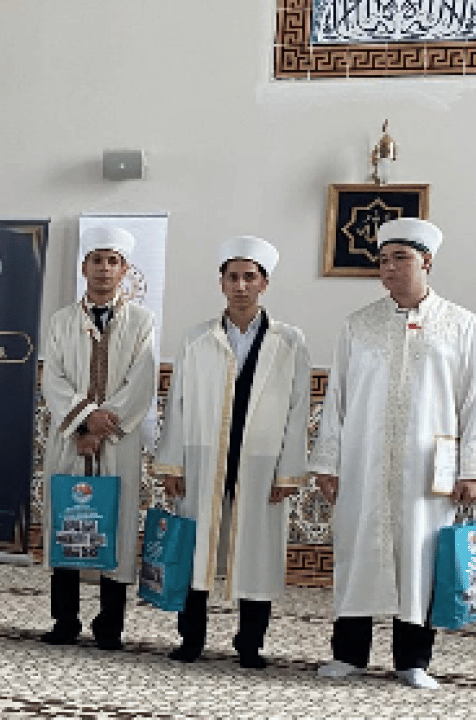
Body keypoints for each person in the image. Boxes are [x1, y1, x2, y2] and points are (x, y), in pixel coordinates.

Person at [310, 218, 476, 690]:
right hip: (363, 466)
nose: (389, 268)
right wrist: (327, 462)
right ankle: (349, 654)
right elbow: (336, 399)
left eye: (399, 258)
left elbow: (473, 402)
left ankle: (413, 660)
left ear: (427, 261)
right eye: (382, 260)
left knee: (421, 559)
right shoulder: (359, 325)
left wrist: (472, 470)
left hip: (429, 471)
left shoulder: (462, 326)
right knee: (358, 552)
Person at [154, 237, 310, 668]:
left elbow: (299, 410)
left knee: (256, 554)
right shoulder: (197, 338)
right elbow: (178, 403)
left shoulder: (290, 341)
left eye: (250, 277)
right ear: (221, 282)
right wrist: (172, 462)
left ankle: (250, 644)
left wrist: (288, 470)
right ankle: (191, 639)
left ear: (264, 284)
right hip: (205, 456)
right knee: (197, 550)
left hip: (260, 463)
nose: (241, 285)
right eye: (233, 277)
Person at [39, 225, 156, 651]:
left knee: (116, 527)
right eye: (97, 260)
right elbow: (53, 378)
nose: (104, 269)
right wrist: (83, 424)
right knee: (68, 521)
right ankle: (65, 620)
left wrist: (102, 425)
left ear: (125, 270)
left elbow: (140, 381)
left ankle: (110, 625)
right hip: (70, 439)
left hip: (118, 442)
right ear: (83, 266)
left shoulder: (143, 322)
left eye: (113, 261)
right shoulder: (61, 321)